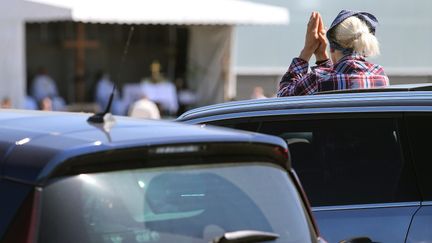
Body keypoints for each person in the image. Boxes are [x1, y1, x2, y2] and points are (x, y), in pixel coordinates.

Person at [277, 10, 389, 96]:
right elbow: (336, 76)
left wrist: (306, 51)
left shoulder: (318, 80)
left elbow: (284, 97)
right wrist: (322, 59)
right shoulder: (379, 75)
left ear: (331, 48)